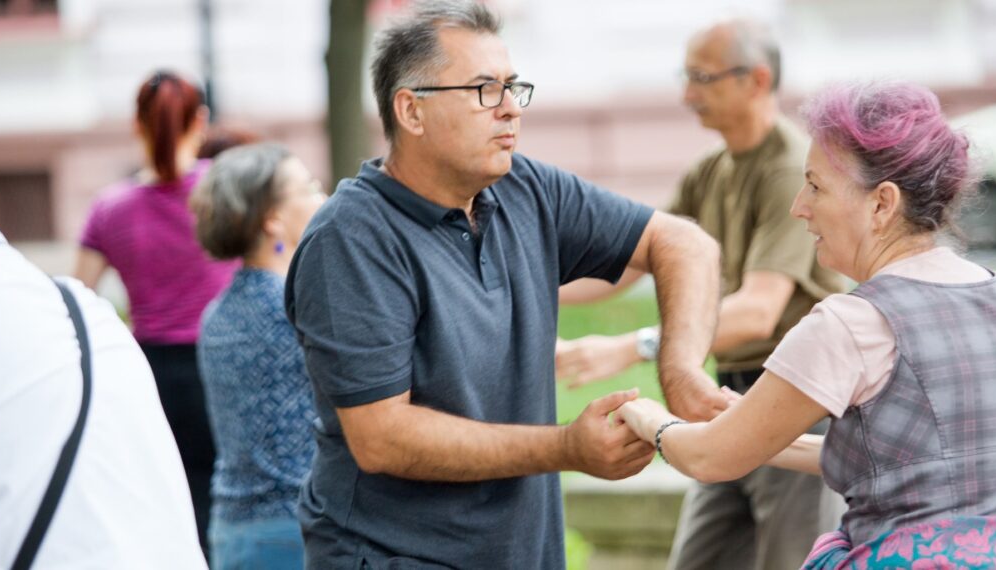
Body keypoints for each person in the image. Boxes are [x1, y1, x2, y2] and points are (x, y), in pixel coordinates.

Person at [283, 1, 724, 568]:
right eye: (485, 90)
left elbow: (685, 244)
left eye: (515, 88)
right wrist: (566, 447)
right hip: (392, 554)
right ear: (411, 111)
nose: (512, 110)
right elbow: (381, 437)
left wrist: (681, 372)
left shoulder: (527, 188)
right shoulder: (351, 238)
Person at [616, 82, 996, 568]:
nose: (799, 206)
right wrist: (750, 424)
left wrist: (649, 418)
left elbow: (710, 459)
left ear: (882, 203)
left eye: (815, 185)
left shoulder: (852, 322)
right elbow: (909, 464)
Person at [555, 18, 846, 569]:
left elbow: (759, 312)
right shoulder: (709, 171)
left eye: (702, 78)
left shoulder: (790, 168)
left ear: (755, 80)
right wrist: (521, 287)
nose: (688, 94)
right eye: (686, 77)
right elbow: (628, 268)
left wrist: (629, 347)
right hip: (723, 402)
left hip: (792, 400)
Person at [0, 104, 207, 568]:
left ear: (138, 125)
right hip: (160, 368)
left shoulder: (113, 207)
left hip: (156, 356)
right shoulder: (81, 309)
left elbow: (89, 272)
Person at [74, 69, 238, 549]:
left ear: (137, 125)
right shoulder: (224, 190)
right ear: (200, 121)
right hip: (224, 359)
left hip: (152, 374)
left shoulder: (109, 209)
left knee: (169, 499)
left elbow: (79, 296)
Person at [190, 143, 325, 569]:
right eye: (309, 188)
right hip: (296, 534)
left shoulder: (216, 314)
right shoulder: (299, 309)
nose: (322, 198)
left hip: (231, 533)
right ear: (273, 220)